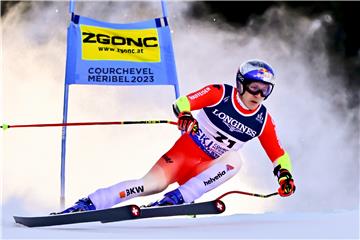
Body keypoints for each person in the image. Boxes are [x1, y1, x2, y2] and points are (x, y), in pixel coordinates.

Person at [58, 59, 296, 214]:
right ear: (241, 84)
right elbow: (183, 102)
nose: (259, 94)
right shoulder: (220, 94)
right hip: (183, 155)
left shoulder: (262, 119)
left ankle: (177, 198)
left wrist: (284, 175)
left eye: (266, 90)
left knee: (235, 160)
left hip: (206, 169)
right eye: (255, 87)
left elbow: (278, 154)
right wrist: (185, 115)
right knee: (148, 185)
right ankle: (88, 204)